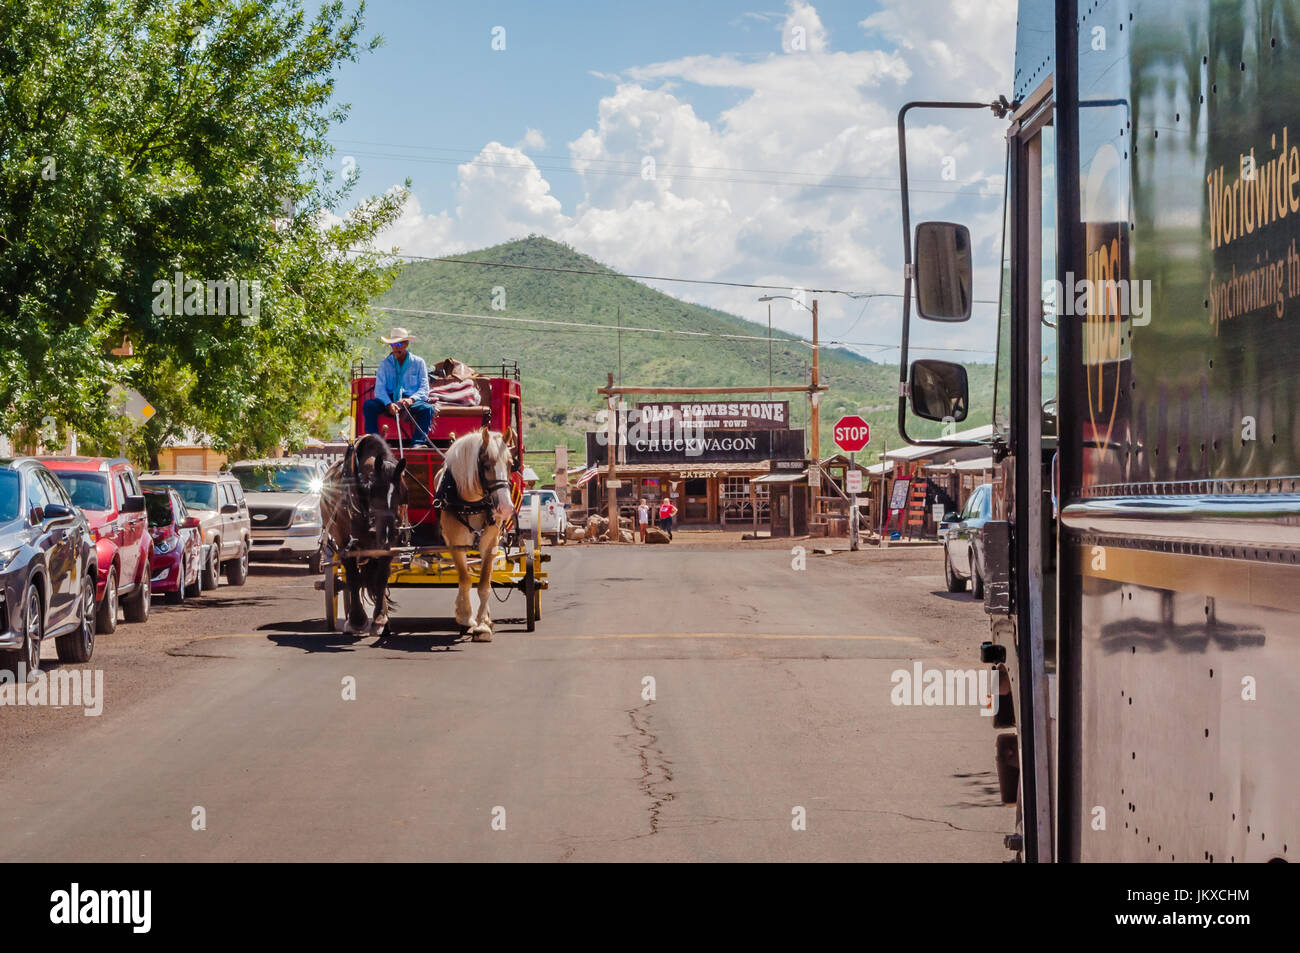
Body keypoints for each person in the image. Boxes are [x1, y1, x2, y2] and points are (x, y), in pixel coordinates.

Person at [362, 327, 433, 445]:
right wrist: (388, 403)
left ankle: (418, 443)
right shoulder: (385, 364)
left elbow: (424, 388)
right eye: (392, 345)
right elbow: (379, 390)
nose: (395, 348)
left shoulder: (419, 363)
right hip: (389, 399)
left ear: (406, 344)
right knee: (369, 405)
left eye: (399, 344)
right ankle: (373, 442)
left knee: (427, 409)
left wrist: (411, 399)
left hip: (410, 400)